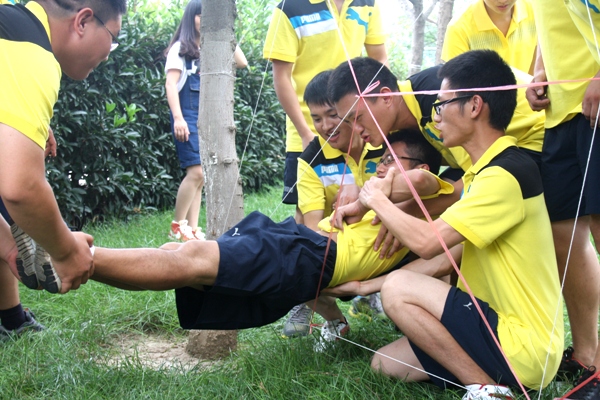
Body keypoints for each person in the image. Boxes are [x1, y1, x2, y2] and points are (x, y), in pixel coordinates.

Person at [330, 50, 563, 399]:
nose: (435, 118)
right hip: (494, 327)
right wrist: (365, 286)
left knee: (398, 288)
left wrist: (375, 199)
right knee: (386, 363)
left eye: (442, 105)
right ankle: (490, 376)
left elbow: (428, 243)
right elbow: (447, 256)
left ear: (474, 106)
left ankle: (486, 389)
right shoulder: (480, 173)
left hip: (524, 346)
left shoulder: (504, 175)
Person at [83, 138, 452, 346]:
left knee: (191, 258)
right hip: (298, 241)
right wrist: (372, 199)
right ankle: (81, 262)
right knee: (177, 254)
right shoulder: (388, 204)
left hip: (313, 257)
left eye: (391, 159)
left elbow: (421, 183)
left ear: (421, 166)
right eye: (381, 160)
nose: (381, 167)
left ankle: (79, 257)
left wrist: (372, 196)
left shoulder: (426, 197)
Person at [0, 0, 126, 294]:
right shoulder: (31, 51)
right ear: (82, 22)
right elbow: (21, 188)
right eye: (113, 37)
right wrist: (66, 250)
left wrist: (8, 246)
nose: (109, 53)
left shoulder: (10, 25)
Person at [526, 1, 600, 398]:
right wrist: (540, 69)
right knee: (563, 236)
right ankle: (588, 358)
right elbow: (550, 20)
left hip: (596, 101)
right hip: (561, 111)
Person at [262, 0, 388, 225]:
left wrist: (371, 113)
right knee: (305, 213)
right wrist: (305, 133)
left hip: (354, 125)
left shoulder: (367, 4)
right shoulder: (289, 7)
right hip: (308, 128)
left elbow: (379, 60)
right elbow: (281, 77)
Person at [282, 70, 387, 338]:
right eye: (316, 118)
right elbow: (312, 229)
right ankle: (336, 322)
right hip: (340, 244)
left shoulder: (384, 142)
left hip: (389, 238)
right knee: (297, 253)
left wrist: (361, 194)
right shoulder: (310, 159)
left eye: (332, 115)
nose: (326, 126)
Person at [164, 0, 248, 242]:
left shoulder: (210, 49)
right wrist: (178, 119)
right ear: (190, 18)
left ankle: (191, 229)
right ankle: (177, 226)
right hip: (186, 117)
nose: (205, 21)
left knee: (201, 177)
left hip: (206, 119)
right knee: (197, 172)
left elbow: (241, 62)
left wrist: (225, 30)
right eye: (200, 16)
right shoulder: (180, 49)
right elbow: (170, 85)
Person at [441, 0, 537, 74]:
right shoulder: (459, 28)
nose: (502, 1)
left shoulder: (536, 12)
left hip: (531, 92)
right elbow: (456, 83)